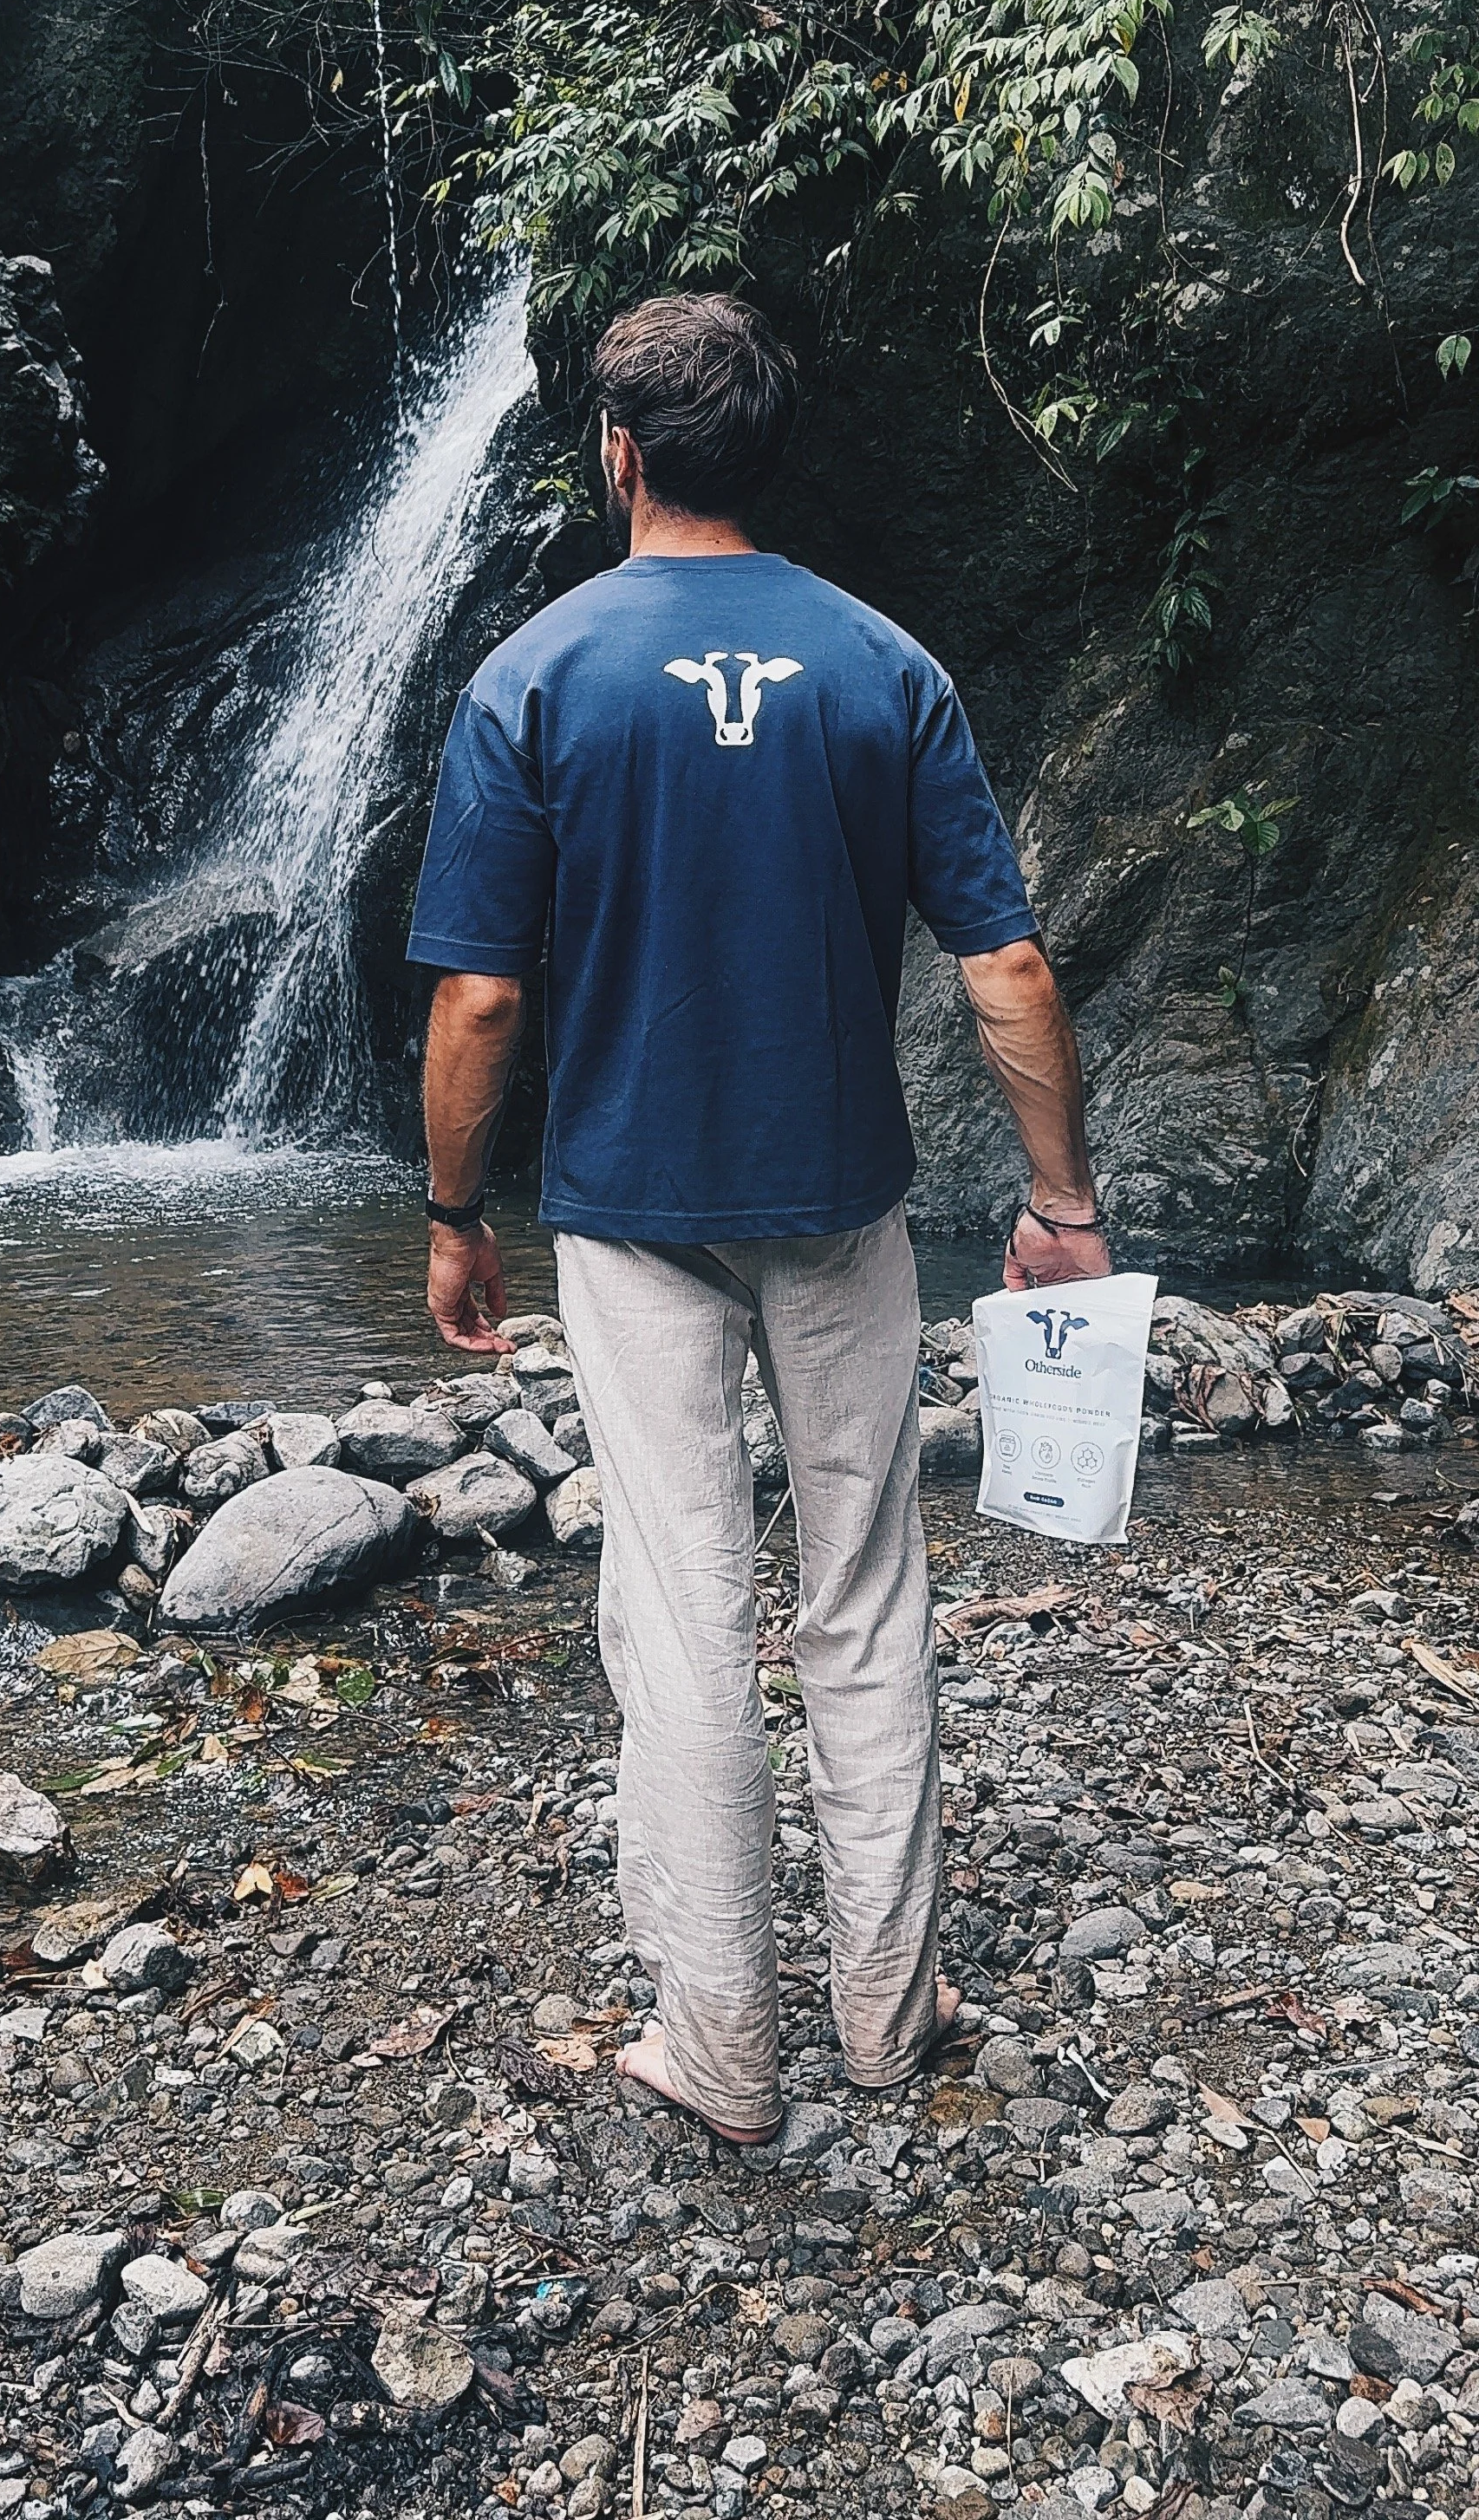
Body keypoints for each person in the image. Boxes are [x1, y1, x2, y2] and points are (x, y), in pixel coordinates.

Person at [406, 290, 1110, 2145]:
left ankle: (719, 2048)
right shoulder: (889, 669)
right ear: (765, 460)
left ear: (621, 459)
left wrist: (452, 1212)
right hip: (842, 1207)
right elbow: (1008, 966)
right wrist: (1062, 1202)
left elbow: (481, 999)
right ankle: (893, 2010)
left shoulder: (534, 675)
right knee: (864, 1587)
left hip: (632, 1218)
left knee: (687, 1611)